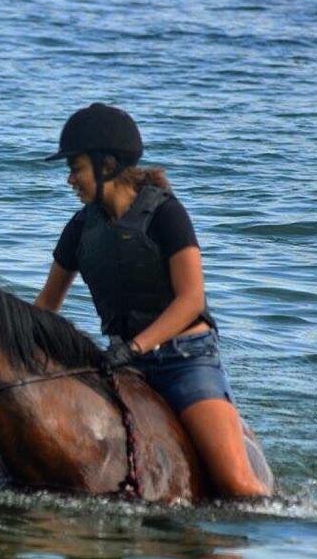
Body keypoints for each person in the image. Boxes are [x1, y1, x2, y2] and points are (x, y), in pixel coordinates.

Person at [34, 102, 270, 498]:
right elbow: (46, 305)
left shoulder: (166, 215)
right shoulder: (79, 229)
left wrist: (136, 347)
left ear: (106, 165)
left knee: (236, 485)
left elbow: (191, 299)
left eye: (75, 168)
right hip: (121, 363)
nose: (70, 179)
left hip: (185, 361)